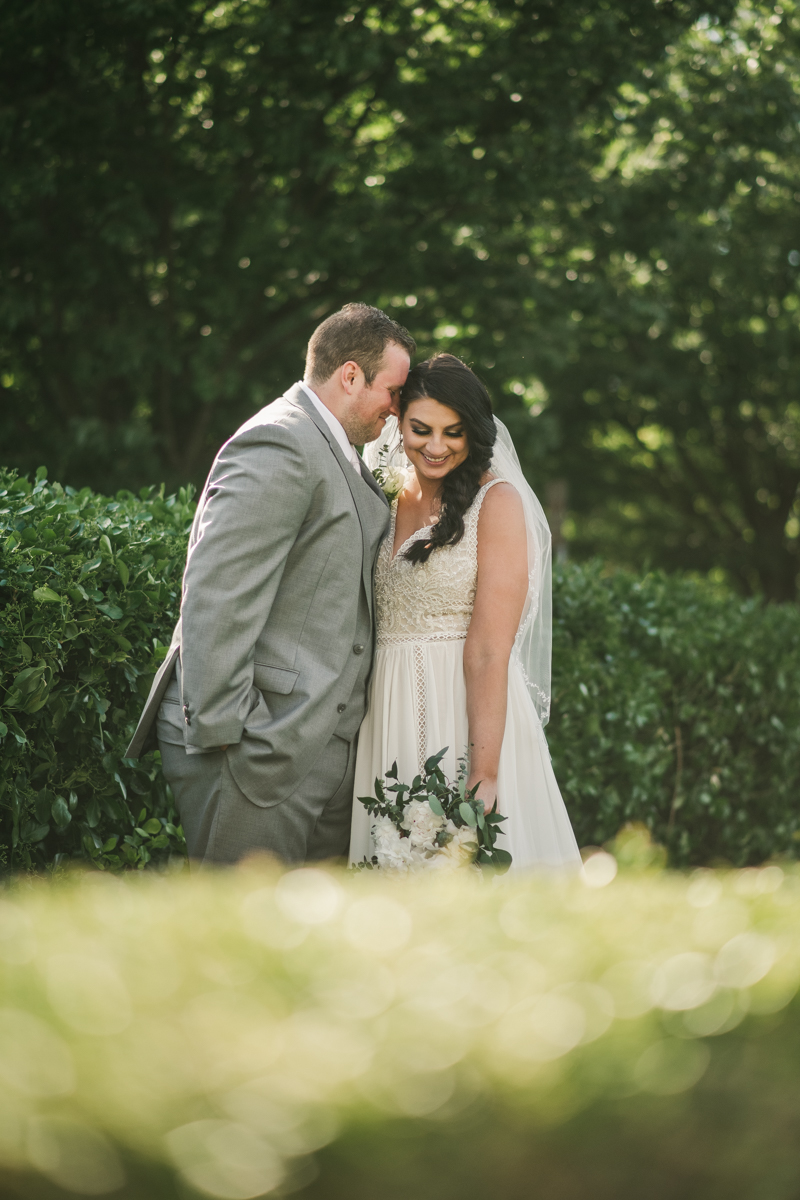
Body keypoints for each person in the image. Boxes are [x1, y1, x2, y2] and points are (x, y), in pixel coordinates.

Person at [125, 303, 414, 864]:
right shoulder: (280, 443)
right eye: (393, 391)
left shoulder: (336, 450)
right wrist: (234, 736)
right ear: (350, 375)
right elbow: (218, 593)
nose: (397, 410)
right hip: (255, 757)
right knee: (235, 938)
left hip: (312, 754)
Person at [349, 353, 581, 870]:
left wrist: (486, 769)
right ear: (398, 422)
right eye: (421, 429)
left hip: (465, 711)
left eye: (453, 432)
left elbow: (489, 649)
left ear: (474, 433)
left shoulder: (496, 503)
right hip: (386, 708)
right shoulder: (383, 497)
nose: (436, 446)